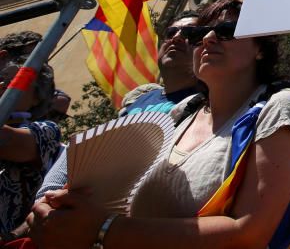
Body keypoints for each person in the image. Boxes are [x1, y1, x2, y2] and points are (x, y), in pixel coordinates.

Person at [27, 0, 290, 249]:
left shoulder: (281, 107)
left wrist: (103, 230)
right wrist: (57, 206)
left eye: (227, 32)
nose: (208, 39)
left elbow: (248, 232)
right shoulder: (179, 114)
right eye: (199, 33)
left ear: (260, 49)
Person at [31, 12, 202, 202]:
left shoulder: (206, 102)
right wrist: (45, 197)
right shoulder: (141, 98)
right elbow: (91, 145)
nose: (177, 38)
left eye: (190, 34)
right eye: (171, 32)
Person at [0, 32, 61, 242]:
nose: (4, 88)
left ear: (36, 97)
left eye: (12, 83)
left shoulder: (46, 132)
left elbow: (7, 142)